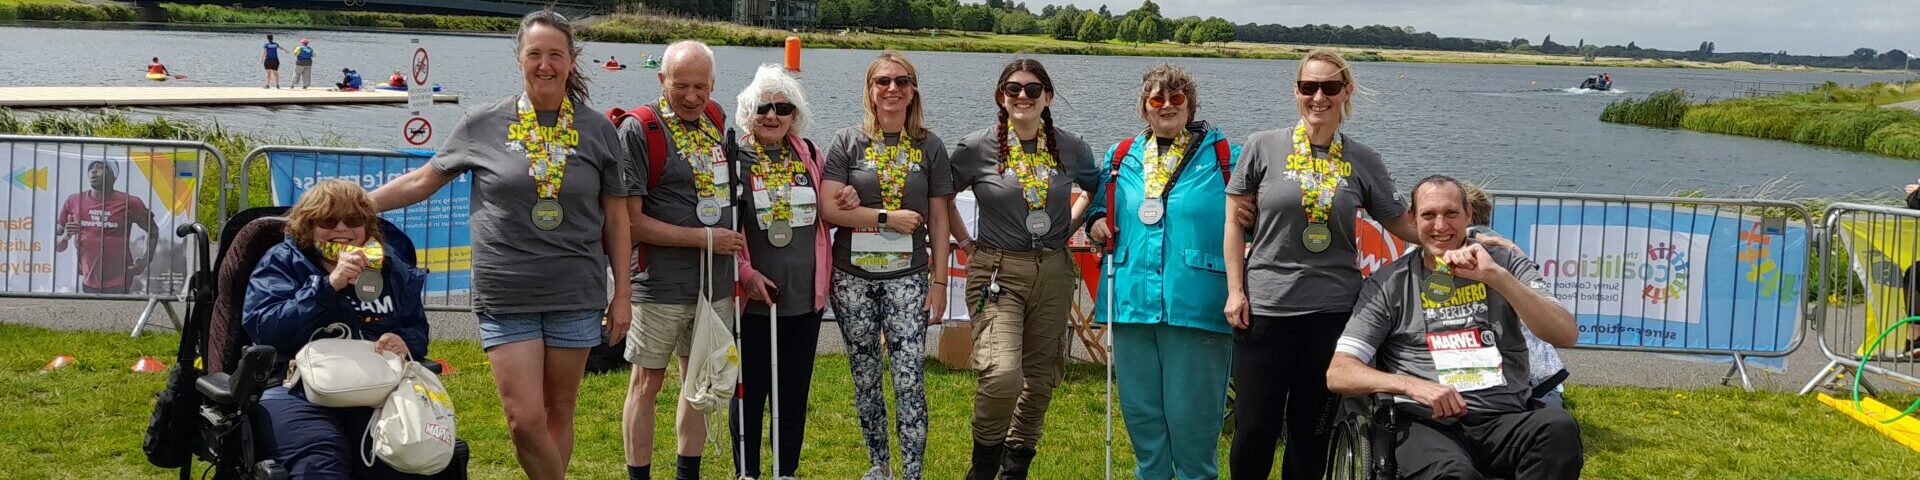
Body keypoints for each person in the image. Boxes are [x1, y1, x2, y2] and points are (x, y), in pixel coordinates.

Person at [370, 10, 634, 480]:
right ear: (520, 60)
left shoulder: (598, 130)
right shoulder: (483, 123)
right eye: (535, 54)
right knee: (523, 421)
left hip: (576, 290)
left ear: (572, 61)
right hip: (506, 291)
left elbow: (616, 217)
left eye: (556, 54)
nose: (545, 64)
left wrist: (623, 295)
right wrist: (356, 205)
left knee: (559, 412)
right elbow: (420, 181)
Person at [1221, 48, 1417, 480]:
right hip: (1266, 310)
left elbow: (1401, 223)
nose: (1319, 97)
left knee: (1312, 435)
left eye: (1330, 87)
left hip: (1332, 316)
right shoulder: (1261, 146)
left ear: (1345, 92)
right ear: (1296, 92)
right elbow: (1234, 223)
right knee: (1255, 429)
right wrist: (1235, 291)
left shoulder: (1364, 160)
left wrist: (1454, 238)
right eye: (1309, 87)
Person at [1327, 175, 1584, 480]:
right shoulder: (1388, 284)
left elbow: (1565, 334)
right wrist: (1412, 386)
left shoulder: (1504, 264)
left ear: (1468, 216)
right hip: (1427, 423)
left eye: (1450, 214)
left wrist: (1496, 278)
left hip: (1505, 416)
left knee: (1559, 429)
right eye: (1428, 215)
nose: (1440, 226)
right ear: (1412, 218)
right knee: (1455, 474)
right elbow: (1339, 372)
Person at [1084, 62, 1240, 480]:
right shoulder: (1120, 155)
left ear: (1190, 104)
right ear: (1144, 106)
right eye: (1157, 98)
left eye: (1176, 98)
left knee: (1194, 425)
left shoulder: (1227, 157)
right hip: (1133, 301)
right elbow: (1099, 210)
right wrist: (1097, 223)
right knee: (1143, 420)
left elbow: (1259, 217)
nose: (1166, 105)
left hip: (1198, 305)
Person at [945, 58, 1097, 480]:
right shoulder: (976, 147)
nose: (1024, 97)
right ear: (1001, 95)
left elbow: (1095, 187)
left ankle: (1016, 465)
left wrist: (1072, 222)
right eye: (1014, 89)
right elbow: (939, 193)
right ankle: (982, 468)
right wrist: (963, 240)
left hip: (1052, 269)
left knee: (1041, 377)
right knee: (1002, 372)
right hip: (997, 271)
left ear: (1047, 96)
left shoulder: (1071, 146)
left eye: (1033, 89)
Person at [820, 50, 954, 480]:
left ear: (913, 91)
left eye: (902, 81)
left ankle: (912, 471)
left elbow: (938, 217)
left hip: (909, 278)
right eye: (883, 81)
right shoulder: (847, 141)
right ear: (871, 90)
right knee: (866, 376)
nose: (892, 88)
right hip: (852, 278)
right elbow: (828, 209)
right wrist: (883, 218)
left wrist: (940, 282)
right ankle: (879, 465)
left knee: (910, 377)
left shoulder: (929, 145)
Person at [242, 179, 432, 479]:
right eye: (329, 221)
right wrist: (328, 287)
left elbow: (417, 328)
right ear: (308, 226)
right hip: (295, 389)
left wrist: (405, 340)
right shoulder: (284, 261)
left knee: (402, 455)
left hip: (376, 388)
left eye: (353, 220)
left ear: (366, 226)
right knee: (320, 462)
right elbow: (265, 329)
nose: (342, 229)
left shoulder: (389, 266)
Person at [616, 39, 740, 480]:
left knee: (699, 383)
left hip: (714, 284)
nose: (691, 96)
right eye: (680, 86)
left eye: (700, 86)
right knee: (646, 384)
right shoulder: (639, 129)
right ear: (661, 80)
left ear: (713, 85)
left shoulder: (718, 119)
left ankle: (688, 475)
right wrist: (707, 238)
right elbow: (632, 222)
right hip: (660, 285)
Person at [727, 63, 830, 480]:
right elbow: (722, 228)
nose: (772, 116)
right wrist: (745, 273)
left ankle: (785, 471)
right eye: (762, 107)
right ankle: (747, 473)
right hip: (752, 302)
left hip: (804, 301)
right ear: (748, 110)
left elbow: (828, 212)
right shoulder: (733, 158)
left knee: (793, 396)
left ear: (795, 114)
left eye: (782, 108)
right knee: (749, 395)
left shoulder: (811, 155)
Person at [1462, 184, 1568, 407]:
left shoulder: (1494, 248)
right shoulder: (1504, 246)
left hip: (1520, 369)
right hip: (1542, 371)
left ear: (1467, 213)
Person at [54, 160, 158, 295]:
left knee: (117, 315)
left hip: (120, 280)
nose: (93, 171)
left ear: (113, 176)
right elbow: (57, 246)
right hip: (88, 280)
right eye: (91, 168)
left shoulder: (130, 202)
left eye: (100, 168)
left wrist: (145, 259)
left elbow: (154, 231)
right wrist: (65, 237)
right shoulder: (73, 200)